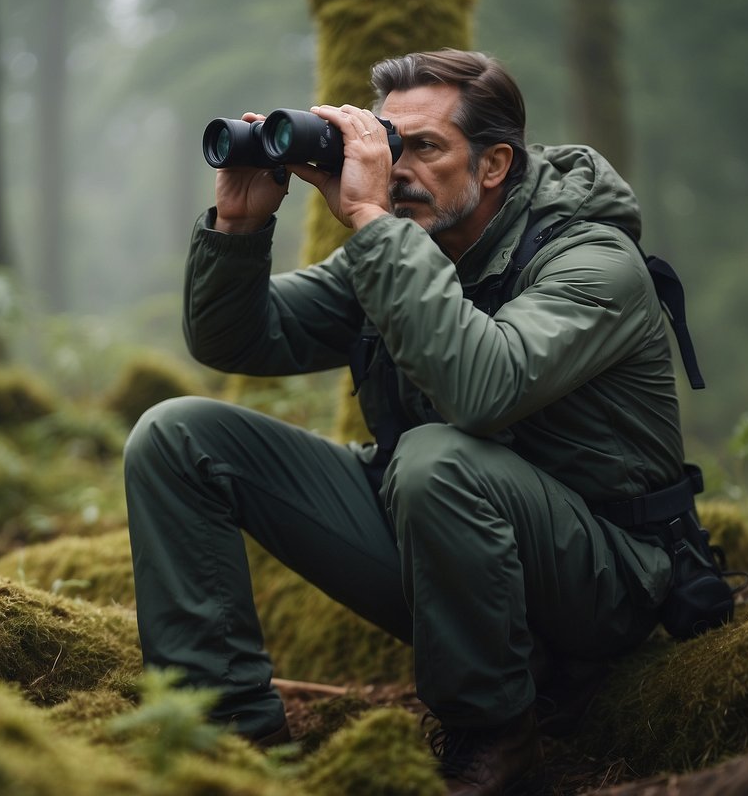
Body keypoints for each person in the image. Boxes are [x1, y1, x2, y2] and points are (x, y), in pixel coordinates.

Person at [124, 48, 686, 794]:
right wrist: (238, 222)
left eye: (423, 146)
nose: (395, 167)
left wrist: (365, 216)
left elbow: (480, 391)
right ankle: (226, 735)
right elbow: (238, 339)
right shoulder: (403, 248)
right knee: (176, 435)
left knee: (433, 458)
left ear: (492, 166)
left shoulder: (590, 262)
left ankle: (495, 739)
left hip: (600, 579)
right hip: (445, 552)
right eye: (387, 144)